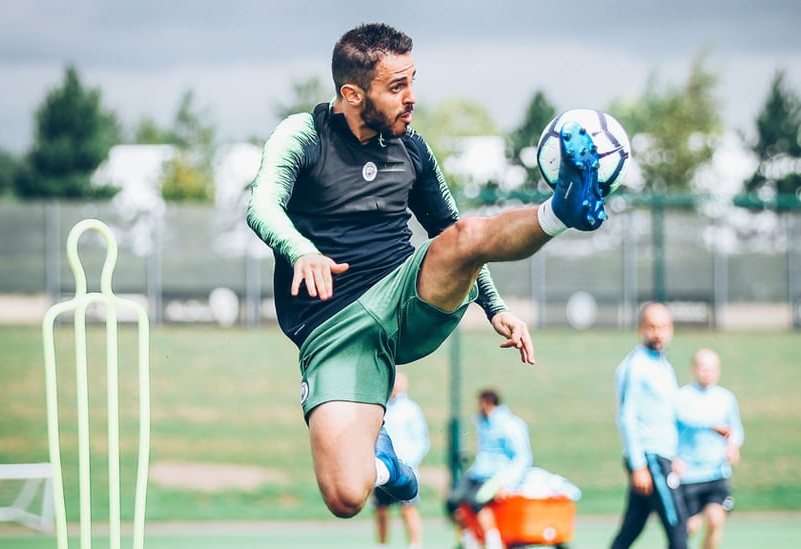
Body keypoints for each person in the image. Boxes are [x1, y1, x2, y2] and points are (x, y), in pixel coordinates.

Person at [245, 22, 609, 518]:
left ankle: (564, 208)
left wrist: (495, 307)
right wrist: (300, 250)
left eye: (412, 80)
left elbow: (457, 232)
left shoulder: (411, 148)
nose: (411, 97)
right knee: (346, 495)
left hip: (405, 297)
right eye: (396, 87)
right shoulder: (304, 135)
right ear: (352, 94)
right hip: (331, 332)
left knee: (459, 236)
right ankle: (388, 467)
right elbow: (262, 206)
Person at [611, 303, 688, 549]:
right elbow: (626, 416)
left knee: (632, 525)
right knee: (677, 523)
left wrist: (675, 454)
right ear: (640, 328)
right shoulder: (635, 366)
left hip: (664, 455)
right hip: (649, 458)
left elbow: (668, 415)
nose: (658, 333)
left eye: (663, 327)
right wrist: (638, 465)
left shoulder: (664, 365)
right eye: (652, 327)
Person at [676, 348, 744, 549]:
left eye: (712, 368)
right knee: (690, 527)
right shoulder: (681, 397)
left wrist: (733, 446)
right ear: (693, 369)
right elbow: (677, 426)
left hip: (716, 473)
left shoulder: (726, 398)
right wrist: (674, 458)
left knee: (716, 520)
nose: (707, 372)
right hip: (689, 475)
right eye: (703, 368)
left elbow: (735, 430)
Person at [447, 389, 532, 549]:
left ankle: (493, 539)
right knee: (453, 501)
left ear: (486, 403)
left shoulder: (509, 425)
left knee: (475, 501)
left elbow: (522, 457)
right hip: (478, 472)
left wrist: (507, 483)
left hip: (496, 475)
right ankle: (469, 536)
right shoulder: (482, 421)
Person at [373, 372, 430, 549]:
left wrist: (408, 462)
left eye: (397, 383)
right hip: (383, 467)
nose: (394, 386)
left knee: (408, 508)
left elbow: (421, 440)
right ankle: (382, 545)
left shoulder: (411, 410)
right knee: (381, 509)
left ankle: (415, 545)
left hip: (404, 468)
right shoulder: (381, 407)